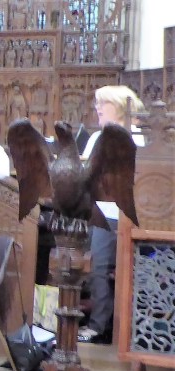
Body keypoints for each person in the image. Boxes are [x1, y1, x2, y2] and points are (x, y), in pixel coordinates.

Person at [78, 85, 146, 344]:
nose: (97, 108)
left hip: (126, 215)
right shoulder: (97, 138)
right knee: (96, 268)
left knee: (115, 269)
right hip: (99, 212)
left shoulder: (137, 136)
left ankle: (112, 328)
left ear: (119, 106)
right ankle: (99, 323)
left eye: (102, 103)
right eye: (97, 103)